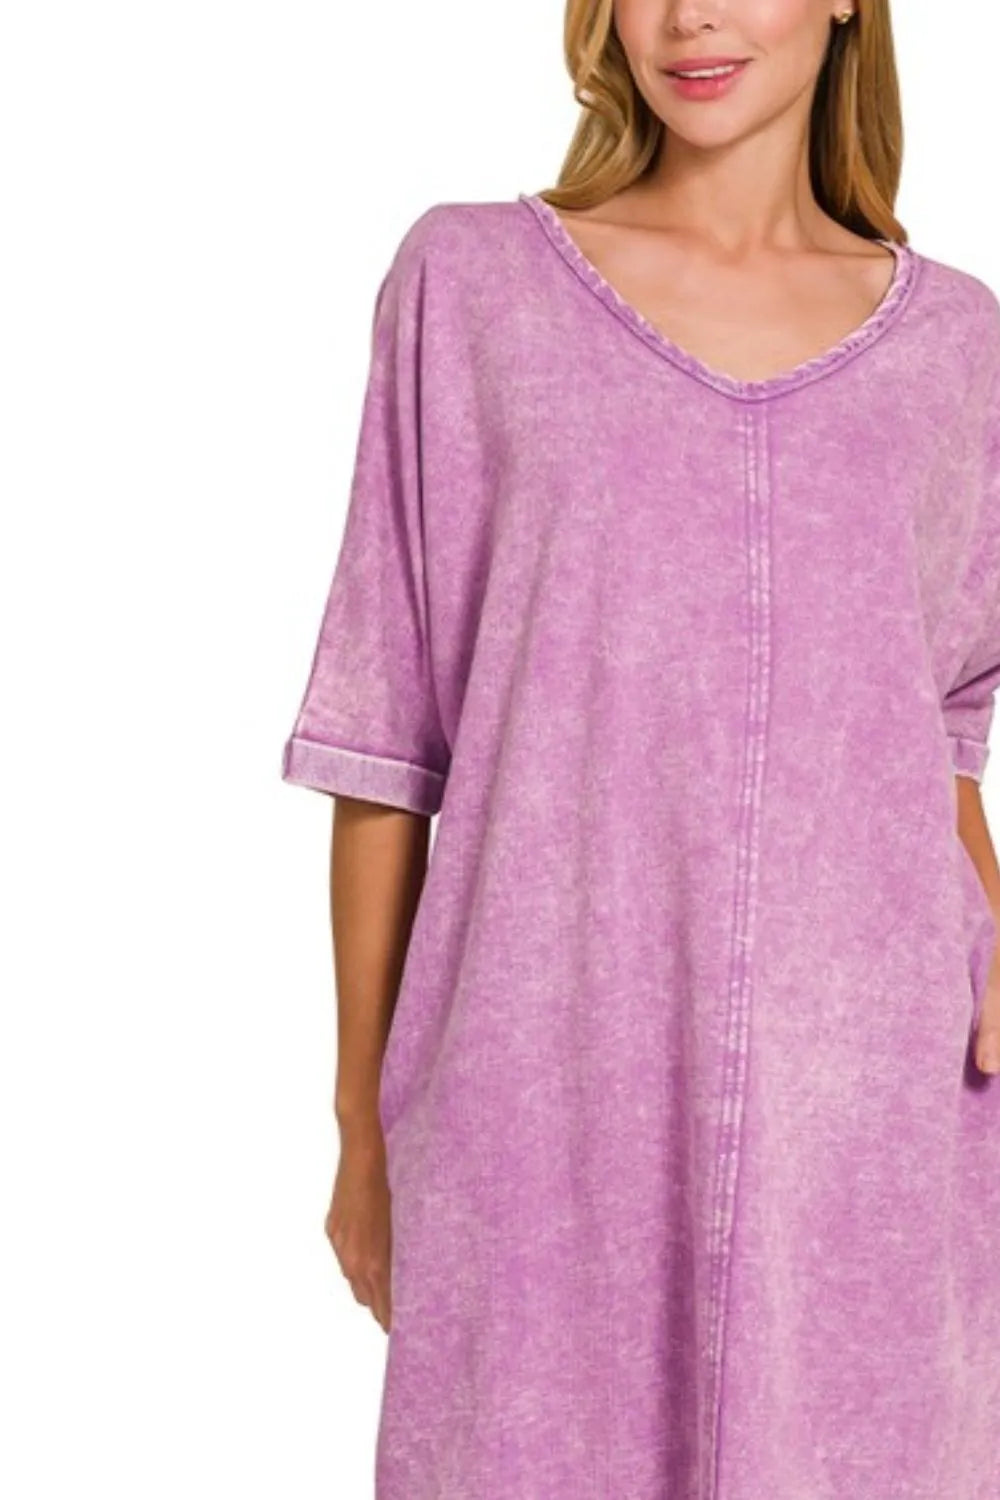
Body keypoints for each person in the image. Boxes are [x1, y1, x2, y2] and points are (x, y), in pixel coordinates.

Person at [280, 2, 1000, 1496]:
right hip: (540, 1089)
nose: (688, 18)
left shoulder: (959, 349)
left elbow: (937, 742)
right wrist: (360, 1124)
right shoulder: (471, 285)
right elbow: (384, 740)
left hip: (874, 1107)